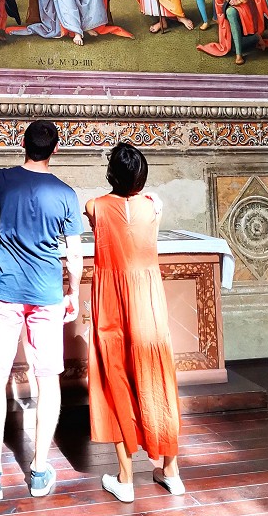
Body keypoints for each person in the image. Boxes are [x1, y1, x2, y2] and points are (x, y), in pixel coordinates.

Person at [0, 120, 84, 503]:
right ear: (56, 149)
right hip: (45, 295)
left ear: (22, 144)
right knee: (48, 380)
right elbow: (73, 253)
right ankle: (39, 470)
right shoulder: (65, 194)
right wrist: (72, 292)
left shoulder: (2, 179)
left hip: (6, 292)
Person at [85, 142, 184, 504]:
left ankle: (126, 478)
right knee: (157, 376)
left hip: (112, 300)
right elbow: (143, 200)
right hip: (148, 300)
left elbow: (103, 208)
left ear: (111, 174)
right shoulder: (154, 207)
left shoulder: (94, 207)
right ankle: (170, 472)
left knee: (116, 378)